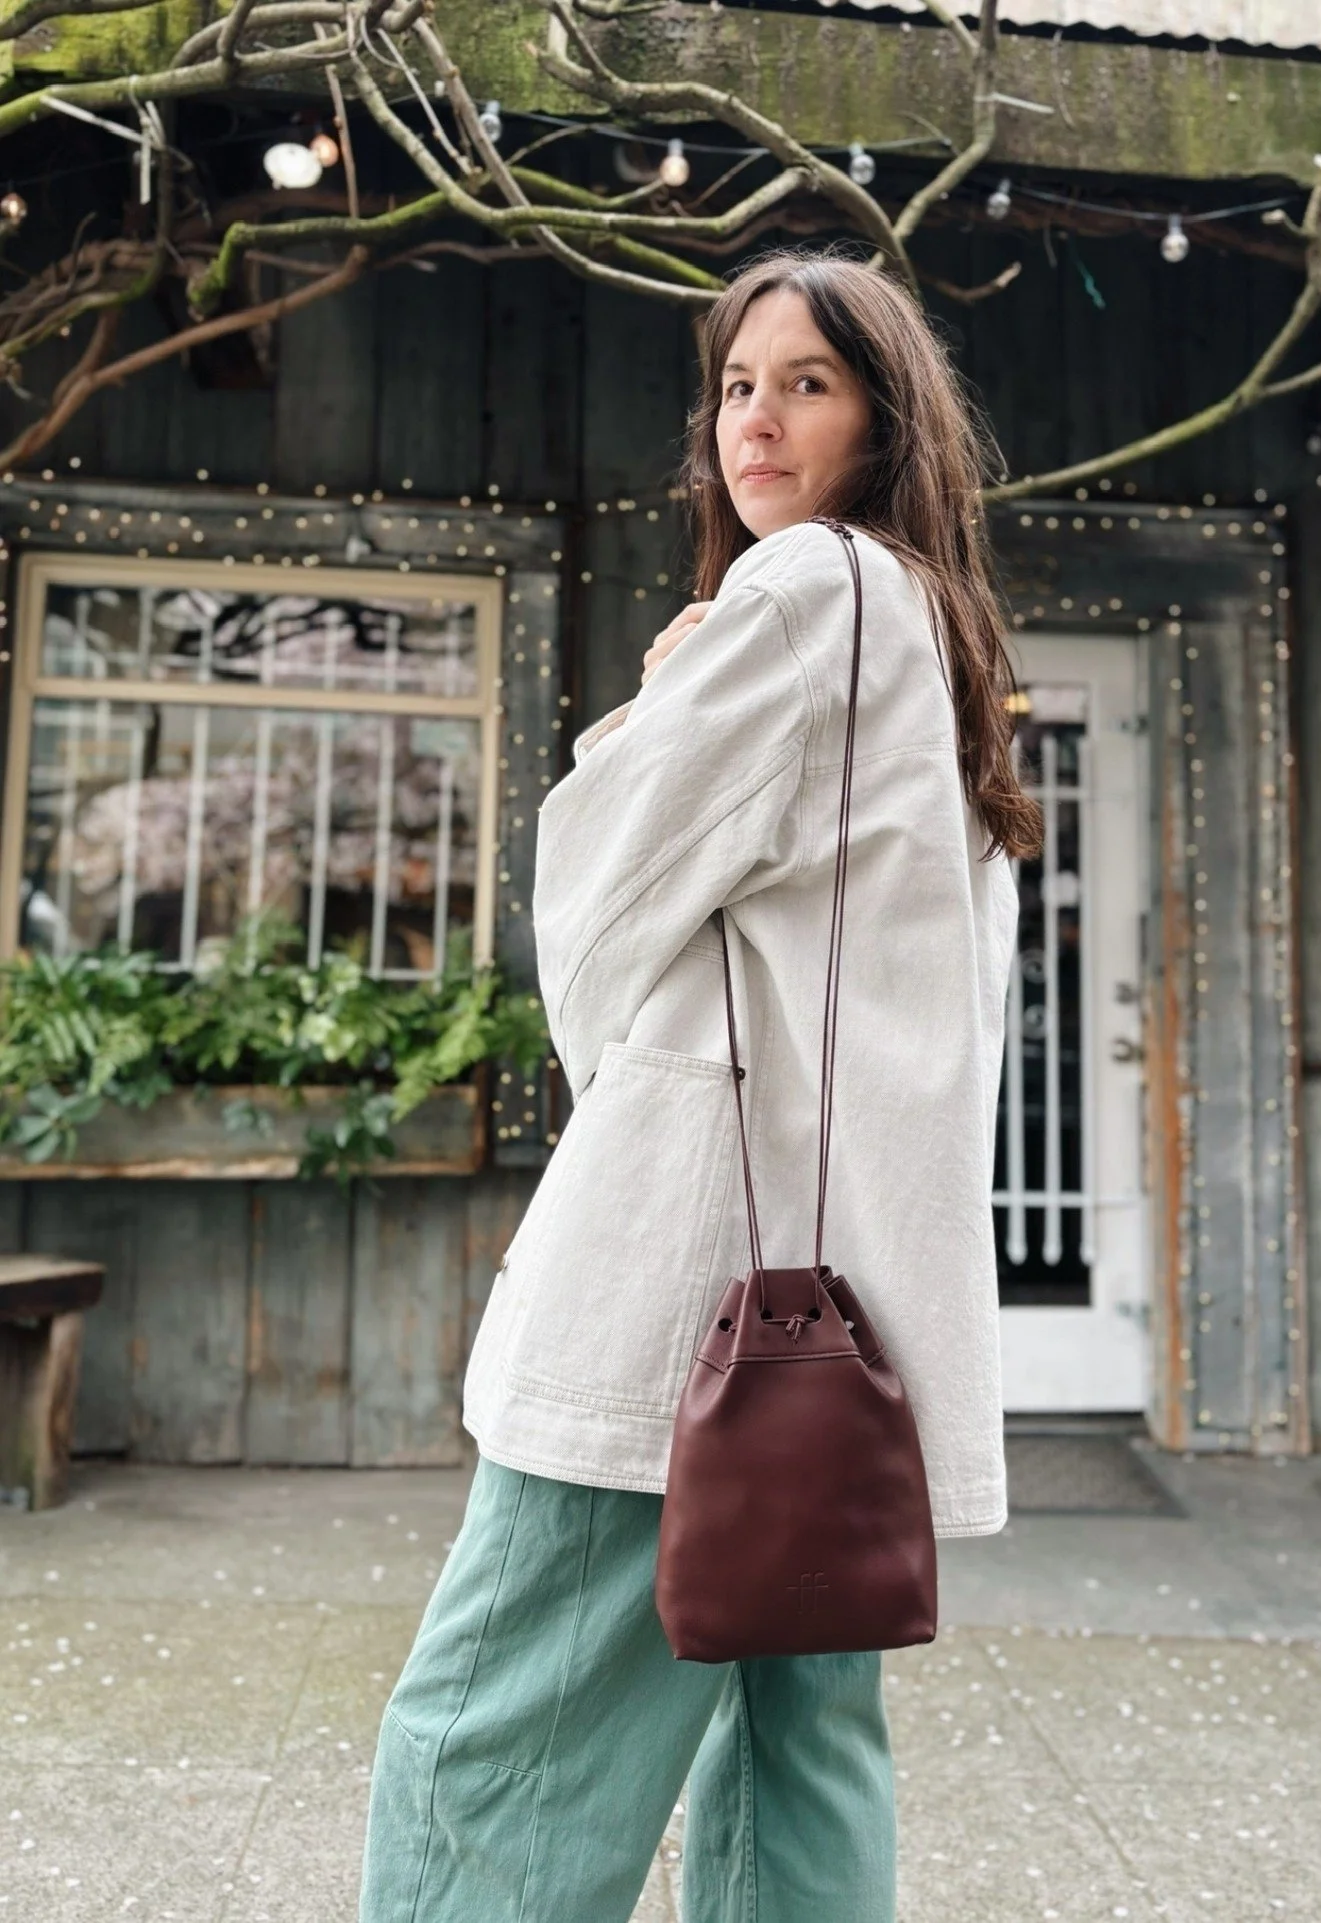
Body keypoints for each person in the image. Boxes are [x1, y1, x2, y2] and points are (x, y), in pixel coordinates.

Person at [359, 247, 1042, 1923]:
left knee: (490, 1740)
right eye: (737, 384)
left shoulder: (809, 592)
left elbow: (601, 870)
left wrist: (667, 691)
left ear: (887, 417)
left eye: (807, 382)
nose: (756, 419)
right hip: (857, 1312)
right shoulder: (944, 641)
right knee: (798, 1749)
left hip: (690, 1293)